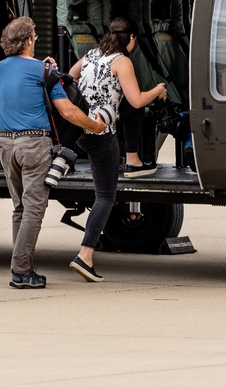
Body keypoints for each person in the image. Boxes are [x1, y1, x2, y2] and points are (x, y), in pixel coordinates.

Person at [0, 16, 106, 289]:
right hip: (34, 145)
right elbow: (66, 111)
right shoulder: (44, 73)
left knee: (20, 208)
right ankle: (20, 270)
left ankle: (24, 266)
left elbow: (20, 83)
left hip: (6, 143)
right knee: (34, 209)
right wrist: (94, 125)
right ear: (29, 41)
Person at [68, 16, 167, 283]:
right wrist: (158, 90)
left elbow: (68, 77)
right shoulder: (122, 61)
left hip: (81, 129)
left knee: (102, 195)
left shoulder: (91, 54)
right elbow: (136, 101)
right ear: (132, 38)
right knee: (105, 197)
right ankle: (85, 255)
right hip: (102, 134)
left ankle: (86, 254)